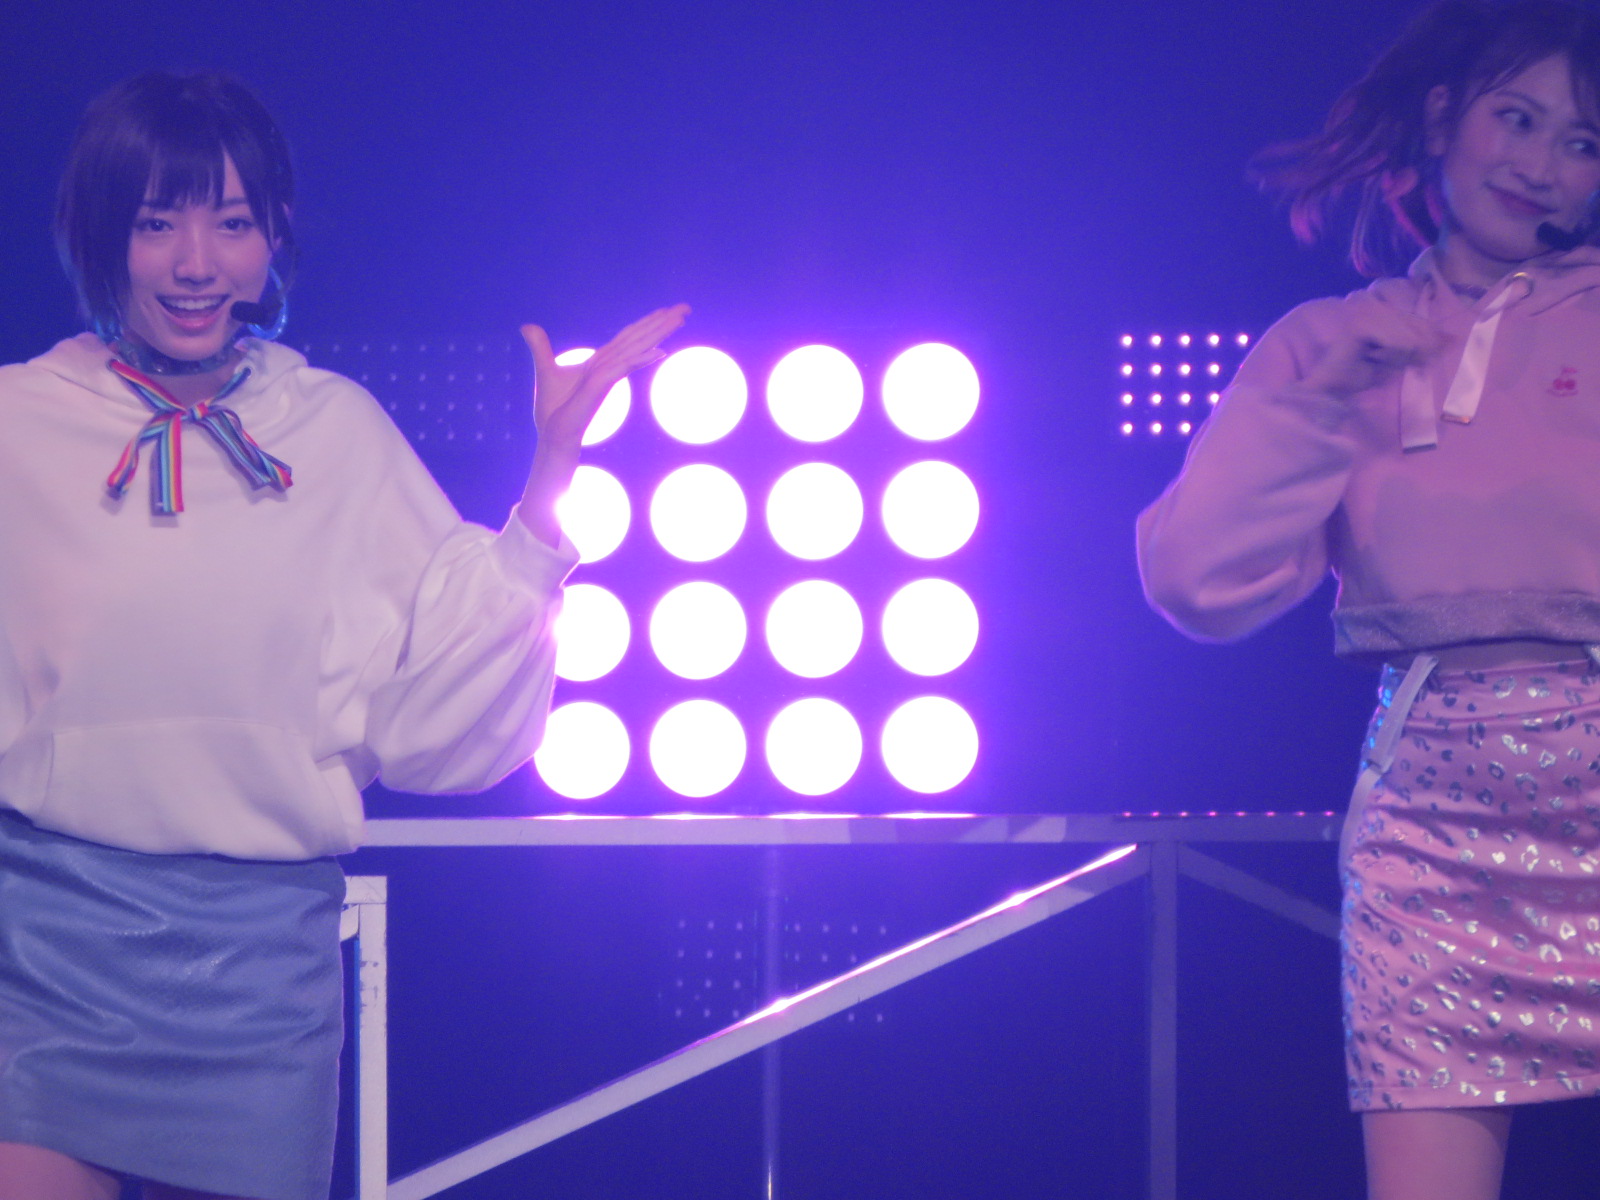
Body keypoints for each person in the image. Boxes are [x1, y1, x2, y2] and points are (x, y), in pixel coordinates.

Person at [0, 71, 685, 1200]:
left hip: (260, 974)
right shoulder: (21, 422)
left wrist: (552, 473)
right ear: (99, 230)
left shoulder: (334, 428)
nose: (196, 263)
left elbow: (436, 698)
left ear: (273, 236)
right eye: (157, 222)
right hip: (45, 945)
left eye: (231, 223)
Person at [1137, 2, 1600, 1197]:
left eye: (1580, 141)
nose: (1541, 163)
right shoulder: (1331, 341)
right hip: (1429, 835)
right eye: (1516, 118)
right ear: (1441, 117)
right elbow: (1195, 579)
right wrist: (1320, 403)